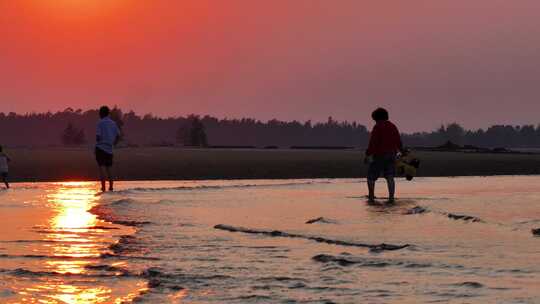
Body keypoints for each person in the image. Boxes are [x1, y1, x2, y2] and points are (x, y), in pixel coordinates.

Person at [365, 107, 403, 203]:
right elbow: (398, 140)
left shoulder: (378, 127)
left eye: (374, 119)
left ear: (377, 118)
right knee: (390, 176)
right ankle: (391, 197)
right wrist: (401, 150)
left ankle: (371, 196)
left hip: (379, 155)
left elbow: (373, 142)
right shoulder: (393, 126)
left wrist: (368, 154)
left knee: (371, 176)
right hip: (392, 154)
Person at [95, 106, 120, 192]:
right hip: (110, 148)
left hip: (101, 148)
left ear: (101, 114)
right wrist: (113, 143)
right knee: (109, 168)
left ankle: (103, 187)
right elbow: (118, 135)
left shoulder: (100, 123)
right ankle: (111, 187)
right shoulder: (113, 123)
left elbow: (98, 136)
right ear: (108, 113)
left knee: (101, 167)